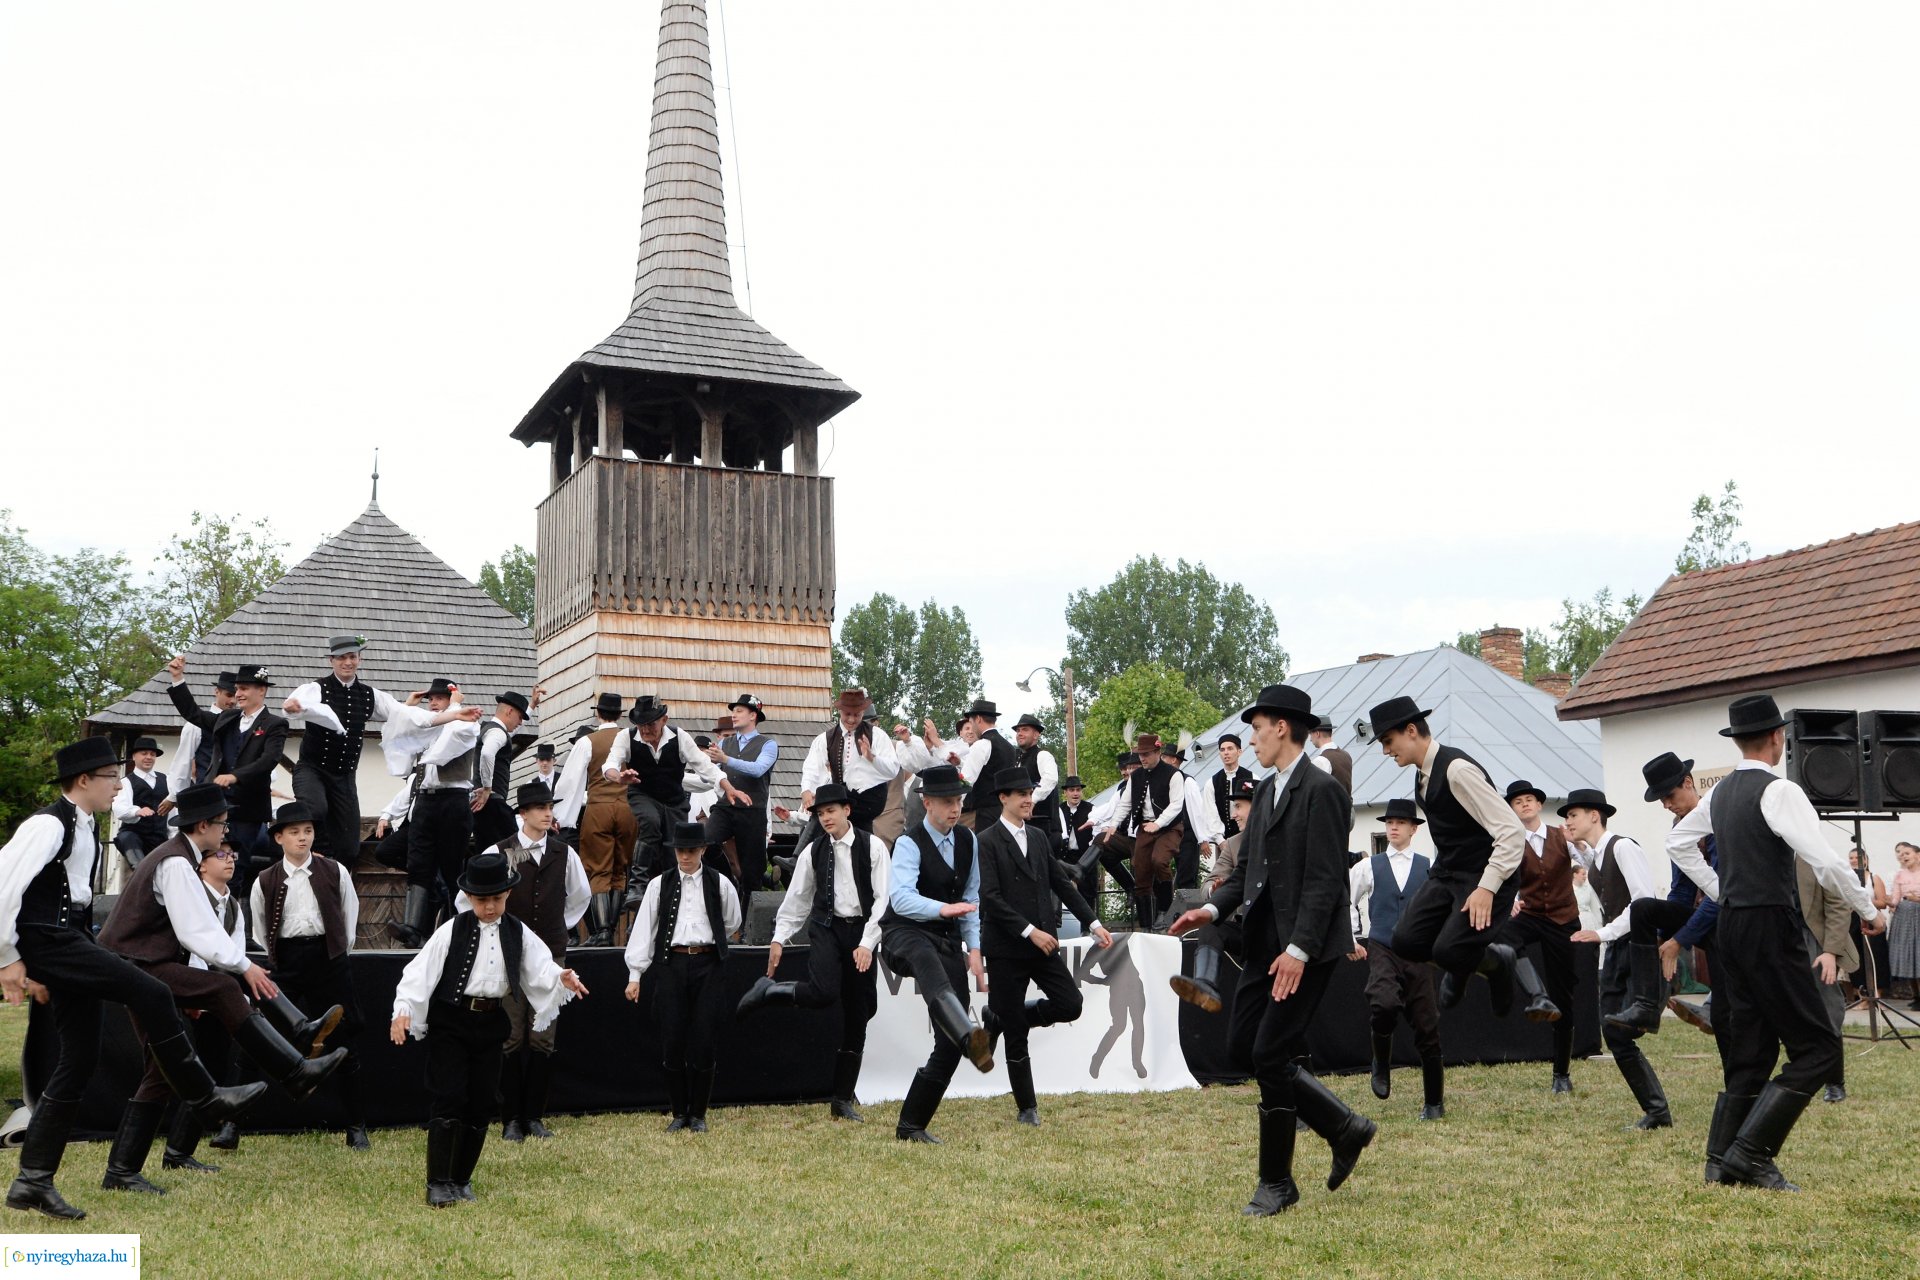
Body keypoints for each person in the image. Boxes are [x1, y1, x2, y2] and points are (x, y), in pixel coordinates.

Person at [0, 741, 264, 1220]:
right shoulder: (48, 825)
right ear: (84, 780)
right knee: (152, 991)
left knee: (78, 1060)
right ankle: (204, 1095)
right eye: (110, 777)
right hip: (50, 941)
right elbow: (3, 885)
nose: (119, 786)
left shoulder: (85, 826)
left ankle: (32, 1181)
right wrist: (8, 958)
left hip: (69, 938)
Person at [1663, 694, 1886, 1191]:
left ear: (1738, 740)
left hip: (1733, 926)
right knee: (1819, 1048)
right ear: (1776, 738)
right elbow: (1826, 862)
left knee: (1753, 1047)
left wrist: (1721, 890)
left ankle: (1719, 1161)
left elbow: (1676, 843)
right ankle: (1749, 1154)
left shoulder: (1720, 793)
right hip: (1769, 924)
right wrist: (1869, 910)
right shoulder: (1780, 790)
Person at [1170, 684, 1373, 1217]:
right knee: (1243, 1047)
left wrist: (1299, 950)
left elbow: (1326, 880)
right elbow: (1247, 875)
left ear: (1282, 728)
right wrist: (1210, 910)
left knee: (1270, 1054)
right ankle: (1343, 1126)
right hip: (1264, 945)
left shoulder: (1323, 790)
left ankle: (1277, 1183)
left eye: (1257, 730)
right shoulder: (1265, 791)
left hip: (1306, 949)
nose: (1252, 741)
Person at [95, 782, 348, 1194]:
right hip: (135, 969)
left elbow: (199, 933)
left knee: (161, 1069)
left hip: (140, 969)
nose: (225, 832)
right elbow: (196, 932)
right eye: (222, 825)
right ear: (203, 826)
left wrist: (212, 980)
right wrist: (244, 968)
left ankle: (121, 1171)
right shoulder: (176, 863)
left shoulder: (181, 859)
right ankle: (295, 1070)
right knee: (224, 988)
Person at [391, 850, 587, 1206]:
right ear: (469, 897)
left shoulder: (517, 931)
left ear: (508, 893)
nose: (490, 907)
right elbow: (420, 971)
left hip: (492, 1023)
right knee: (449, 1096)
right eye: (482, 900)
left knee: (482, 1102)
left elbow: (540, 966)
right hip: (451, 1022)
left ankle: (462, 1179)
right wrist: (403, 1008)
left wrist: (561, 977)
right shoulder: (452, 929)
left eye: (497, 898)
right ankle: (439, 1182)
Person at [736, 782, 889, 1121]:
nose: (825, 818)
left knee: (862, 1012)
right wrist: (779, 939)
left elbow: (883, 901)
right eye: (820, 814)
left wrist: (867, 943)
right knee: (822, 992)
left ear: (847, 810)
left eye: (830, 811)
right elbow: (798, 900)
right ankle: (770, 991)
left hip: (862, 930)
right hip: (827, 929)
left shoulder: (874, 847)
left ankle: (841, 1100)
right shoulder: (812, 852)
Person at [1366, 696, 1525, 1016]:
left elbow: (1512, 832)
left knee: (1449, 951)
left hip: (1484, 875)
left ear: (1411, 730)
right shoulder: (1420, 775)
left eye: (1388, 741)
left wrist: (1487, 888)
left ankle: (1498, 962)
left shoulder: (1457, 770)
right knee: (1405, 941)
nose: (1385, 751)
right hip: (1448, 873)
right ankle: (1463, 961)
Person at [975, 767, 1112, 1125]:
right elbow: (989, 897)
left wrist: (1094, 923)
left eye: (1030, 793)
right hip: (1006, 948)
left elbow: (1062, 884)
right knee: (1016, 1035)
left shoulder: (1037, 837)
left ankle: (1002, 1017)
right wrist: (1029, 931)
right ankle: (1027, 1108)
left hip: (1042, 946)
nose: (1028, 799)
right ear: (1003, 798)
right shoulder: (986, 840)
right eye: (1021, 794)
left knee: (1071, 1004)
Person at [881, 764, 995, 1143]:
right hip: (903, 934)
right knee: (924, 956)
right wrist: (943, 909)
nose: (955, 808)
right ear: (927, 802)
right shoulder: (908, 843)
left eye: (958, 801)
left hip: (946, 940)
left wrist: (974, 948)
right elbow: (901, 899)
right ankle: (968, 1035)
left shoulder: (968, 840)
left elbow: (971, 898)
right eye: (947, 801)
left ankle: (911, 1125)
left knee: (947, 1047)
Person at [245, 802, 368, 1150]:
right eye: (295, 832)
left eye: (308, 831)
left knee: (344, 1040)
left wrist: (336, 952)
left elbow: (349, 917)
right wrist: (276, 958)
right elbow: (259, 929)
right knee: (257, 1035)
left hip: (328, 959)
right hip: (284, 963)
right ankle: (232, 1125)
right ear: (279, 838)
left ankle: (356, 1126)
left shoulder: (335, 871)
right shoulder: (265, 879)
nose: (303, 838)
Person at [475, 783, 589, 1141]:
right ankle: (510, 1118)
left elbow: (580, 896)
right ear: (522, 814)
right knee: (510, 1036)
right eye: (540, 808)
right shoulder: (499, 852)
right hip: (508, 953)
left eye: (549, 807)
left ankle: (534, 1117)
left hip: (551, 955)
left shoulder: (564, 853)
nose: (547, 813)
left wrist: (557, 928)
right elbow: (472, 900)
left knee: (543, 1038)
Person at [1559, 789, 1669, 1130]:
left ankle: (1657, 1111)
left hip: (1637, 947)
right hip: (1617, 949)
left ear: (1594, 815)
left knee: (1624, 1028)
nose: (1568, 821)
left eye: (1573, 814)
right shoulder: (1596, 858)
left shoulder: (1623, 847)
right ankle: (1657, 1112)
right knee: (1612, 1029)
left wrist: (1602, 933)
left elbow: (1643, 902)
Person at [1604, 753, 1727, 1059]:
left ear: (1688, 783)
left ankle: (1717, 1010)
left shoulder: (1717, 821)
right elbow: (1681, 893)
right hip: (1702, 915)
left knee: (1727, 1020)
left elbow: (1721, 894)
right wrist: (1660, 939)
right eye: (1661, 800)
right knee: (1644, 909)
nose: (1666, 805)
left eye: (1669, 796)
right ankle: (1647, 1004)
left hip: (1729, 915)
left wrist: (1678, 941)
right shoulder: (1678, 830)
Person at [624, 822, 742, 1133]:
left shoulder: (720, 883)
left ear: (702, 850)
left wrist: (708, 938)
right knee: (672, 1038)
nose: (685, 857)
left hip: (708, 964)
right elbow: (644, 930)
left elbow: (732, 920)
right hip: (671, 964)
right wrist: (635, 974)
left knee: (705, 1038)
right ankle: (679, 1112)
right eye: (680, 851)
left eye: (691, 851)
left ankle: (698, 1114)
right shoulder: (658, 885)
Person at [1347, 799, 1445, 1119]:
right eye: (1389, 822)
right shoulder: (1368, 866)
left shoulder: (1429, 866)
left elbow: (1443, 905)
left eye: (1400, 823)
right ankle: (1381, 1062)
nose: (1393, 827)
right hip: (1382, 947)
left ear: (1414, 829)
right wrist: (1352, 935)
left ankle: (1434, 1102)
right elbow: (1346, 899)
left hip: (1419, 953)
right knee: (1384, 1002)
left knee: (1427, 1025)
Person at [605, 697, 745, 919]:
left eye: (650, 724)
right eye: (641, 725)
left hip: (674, 802)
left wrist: (728, 787)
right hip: (643, 795)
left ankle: (670, 908)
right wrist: (619, 777)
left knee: (672, 854)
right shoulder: (626, 737)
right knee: (650, 822)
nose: (645, 730)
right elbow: (611, 764)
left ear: (664, 720)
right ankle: (637, 885)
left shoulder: (679, 736)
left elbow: (704, 766)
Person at [166, 657, 289, 899]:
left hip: (247, 810)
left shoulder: (275, 724)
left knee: (235, 865)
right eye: (236, 689)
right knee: (206, 861)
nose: (238, 694)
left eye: (244, 689)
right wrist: (178, 678)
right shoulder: (227, 718)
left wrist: (235, 776)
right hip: (216, 807)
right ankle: (204, 911)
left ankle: (232, 917)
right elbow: (193, 713)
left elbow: (268, 760)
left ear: (261, 691)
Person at [282, 636, 407, 863]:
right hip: (312, 769)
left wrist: (436, 712)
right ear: (331, 660)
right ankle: (313, 858)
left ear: (359, 659)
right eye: (341, 658)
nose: (347, 662)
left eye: (352, 657)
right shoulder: (317, 688)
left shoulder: (370, 695)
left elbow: (401, 715)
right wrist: (291, 707)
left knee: (349, 847)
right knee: (315, 809)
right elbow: (293, 704)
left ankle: (335, 873)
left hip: (345, 776)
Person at [387, 678, 485, 947]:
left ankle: (457, 928)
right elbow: (400, 741)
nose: (432, 703)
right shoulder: (424, 727)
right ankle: (413, 928)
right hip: (425, 801)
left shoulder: (465, 722)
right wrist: (408, 708)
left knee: (452, 866)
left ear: (452, 700)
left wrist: (454, 708)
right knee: (418, 863)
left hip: (453, 801)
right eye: (430, 699)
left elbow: (452, 739)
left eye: (440, 698)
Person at [1494, 780, 1577, 1092]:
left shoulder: (1561, 835)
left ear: (1539, 805)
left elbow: (1586, 862)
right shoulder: (1510, 842)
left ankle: (1561, 1074)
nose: (1525, 804)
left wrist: (1581, 845)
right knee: (1502, 934)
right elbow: (1501, 875)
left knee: (1564, 995)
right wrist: (1510, 900)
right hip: (1530, 916)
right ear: (1512, 810)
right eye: (1518, 802)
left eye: (1529, 799)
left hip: (1563, 919)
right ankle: (1537, 995)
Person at [1169, 779, 1256, 1015]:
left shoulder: (1280, 840)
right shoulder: (1233, 844)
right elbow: (1210, 881)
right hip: (1246, 930)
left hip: (1278, 934)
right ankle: (1205, 984)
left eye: (1239, 807)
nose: (1233, 814)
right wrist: (1214, 892)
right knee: (1210, 927)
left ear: (1257, 807)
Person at [560, 693, 635, 945]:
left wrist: (562, 817)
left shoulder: (587, 742)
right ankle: (611, 928)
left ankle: (602, 931)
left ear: (598, 714)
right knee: (619, 870)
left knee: (597, 869)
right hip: (627, 809)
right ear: (620, 715)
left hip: (598, 809)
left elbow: (570, 782)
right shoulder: (631, 738)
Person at [1096, 733, 1187, 932]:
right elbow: (1125, 803)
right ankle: (1146, 926)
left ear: (1158, 752)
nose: (1142, 758)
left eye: (1146, 754)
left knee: (1159, 860)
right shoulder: (1136, 776)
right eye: (1140, 755)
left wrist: (1159, 823)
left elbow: (1176, 804)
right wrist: (1113, 824)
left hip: (1170, 827)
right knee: (1140, 869)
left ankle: (1164, 910)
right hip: (1145, 828)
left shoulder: (1174, 774)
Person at [1796, 849, 1858, 1104]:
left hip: (1814, 943)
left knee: (1826, 1011)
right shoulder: (1761, 855)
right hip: (1774, 941)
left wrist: (1830, 951)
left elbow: (1839, 906)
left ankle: (1834, 1081)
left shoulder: (1816, 856)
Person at [704, 693, 778, 896]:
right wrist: (706, 763)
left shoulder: (768, 744)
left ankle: (748, 914)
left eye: (739, 711)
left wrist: (725, 759)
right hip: (726, 806)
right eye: (733, 711)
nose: (733, 715)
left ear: (753, 715)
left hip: (752, 811)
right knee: (706, 843)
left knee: (752, 874)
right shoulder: (725, 744)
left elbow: (758, 769)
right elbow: (712, 774)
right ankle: (729, 879)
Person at [800, 689, 901, 834]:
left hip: (869, 800)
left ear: (863, 712)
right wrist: (807, 789)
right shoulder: (825, 739)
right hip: (842, 798)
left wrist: (872, 758)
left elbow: (892, 770)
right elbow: (812, 766)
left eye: (857, 715)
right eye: (847, 714)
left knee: (830, 814)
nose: (852, 720)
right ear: (840, 711)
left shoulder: (877, 735)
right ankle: (806, 848)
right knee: (821, 819)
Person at [470, 690, 540, 853]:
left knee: (489, 852)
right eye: (520, 717)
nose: (520, 722)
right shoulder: (497, 732)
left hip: (485, 805)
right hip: (492, 803)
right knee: (516, 851)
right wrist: (487, 788)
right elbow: (487, 753)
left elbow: (509, 734)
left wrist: (531, 706)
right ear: (509, 711)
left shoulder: (490, 729)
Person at [955, 699, 1020, 830]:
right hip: (1005, 813)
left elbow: (966, 780)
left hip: (983, 814)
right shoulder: (1010, 747)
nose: (972, 727)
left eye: (971, 722)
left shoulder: (982, 744)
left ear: (978, 719)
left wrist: (955, 805)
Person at [111, 738, 173, 870]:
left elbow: (173, 810)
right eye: (144, 753)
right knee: (127, 839)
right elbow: (118, 808)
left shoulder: (167, 780)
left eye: (152, 754)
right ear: (134, 756)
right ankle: (139, 870)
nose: (148, 757)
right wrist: (137, 811)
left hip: (160, 838)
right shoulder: (126, 782)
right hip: (135, 838)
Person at [170, 671, 238, 790]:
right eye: (229, 695)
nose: (233, 701)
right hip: (208, 791)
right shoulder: (195, 726)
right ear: (217, 692)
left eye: (236, 696)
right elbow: (183, 762)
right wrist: (175, 795)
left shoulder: (241, 722)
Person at [1846, 847, 1893, 999]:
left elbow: (1882, 903)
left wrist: (1863, 901)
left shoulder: (1873, 878)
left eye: (1857, 857)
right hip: (1853, 921)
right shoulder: (1847, 878)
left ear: (1866, 860)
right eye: (1851, 858)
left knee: (1876, 957)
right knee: (1856, 957)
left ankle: (1876, 994)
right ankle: (1862, 996)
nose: (1854, 860)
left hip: (1872, 919)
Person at [1011, 714, 1060, 852]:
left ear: (1036, 734)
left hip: (1045, 828)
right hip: (1026, 827)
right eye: (1018, 730)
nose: (1020, 733)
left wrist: (1032, 800)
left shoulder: (1043, 755)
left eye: (1025, 730)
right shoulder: (1017, 760)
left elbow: (1050, 779)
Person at [1891, 842, 1920, 1007]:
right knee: (1908, 955)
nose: (1903, 856)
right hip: (1904, 916)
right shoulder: (1900, 875)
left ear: (1918, 855)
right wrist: (1890, 903)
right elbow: (1896, 897)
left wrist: (1917, 899)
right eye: (1901, 854)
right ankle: (1916, 996)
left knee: (1918, 954)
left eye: (1907, 853)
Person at [1209, 734, 1255, 840]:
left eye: (1230, 749)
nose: (1226, 753)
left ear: (1239, 752)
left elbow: (1258, 809)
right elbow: (1211, 815)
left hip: (1249, 835)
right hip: (1223, 839)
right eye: (1222, 750)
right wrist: (1220, 841)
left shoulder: (1252, 778)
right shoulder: (1211, 782)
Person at [1309, 718, 1354, 795]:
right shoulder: (1346, 755)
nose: (1310, 739)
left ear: (1317, 733)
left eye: (1310, 734)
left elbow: (1315, 793)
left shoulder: (1320, 760)